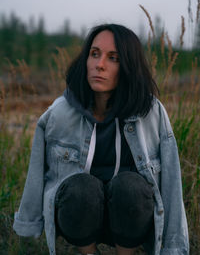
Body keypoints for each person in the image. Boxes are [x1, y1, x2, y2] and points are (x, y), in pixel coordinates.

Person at [13, 24, 189, 255]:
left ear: (128, 66)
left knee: (131, 186)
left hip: (131, 215)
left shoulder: (151, 112)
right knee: (81, 188)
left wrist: (174, 244)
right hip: (79, 214)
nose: (100, 64)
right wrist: (29, 222)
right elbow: (37, 173)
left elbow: (171, 181)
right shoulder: (59, 113)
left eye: (113, 58)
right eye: (94, 54)